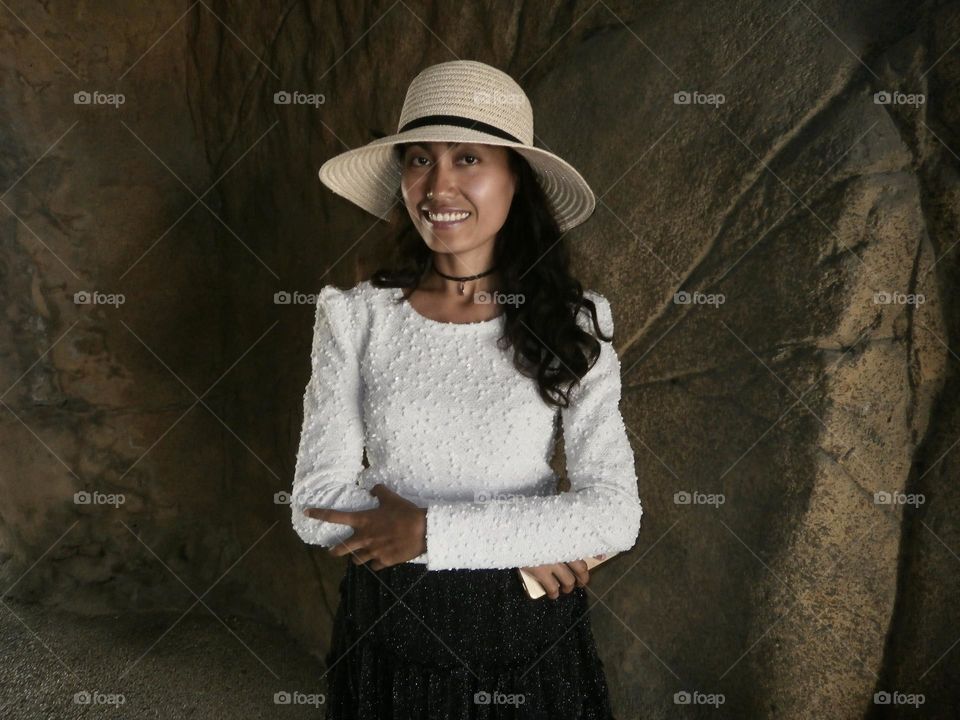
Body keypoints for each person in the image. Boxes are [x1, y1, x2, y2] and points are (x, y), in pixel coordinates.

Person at [291, 59, 643, 719]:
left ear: (516, 180)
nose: (438, 185)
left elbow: (615, 513)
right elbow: (314, 504)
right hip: (389, 631)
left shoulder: (576, 321)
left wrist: (428, 532)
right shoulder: (353, 315)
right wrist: (537, 536)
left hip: (528, 636)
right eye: (420, 159)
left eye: (468, 159)